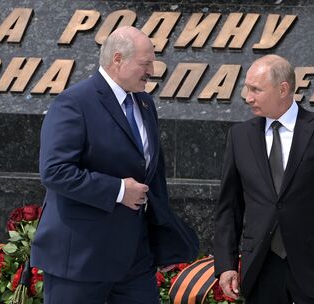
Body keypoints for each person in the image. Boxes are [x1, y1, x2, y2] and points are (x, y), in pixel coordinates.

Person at [31, 26, 199, 304]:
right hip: (81, 260)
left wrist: (163, 241)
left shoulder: (144, 103)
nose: (152, 71)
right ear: (118, 59)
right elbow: (55, 171)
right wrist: (118, 190)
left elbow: (153, 177)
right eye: (145, 64)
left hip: (134, 260)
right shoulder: (73, 103)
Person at [213, 54, 314, 304]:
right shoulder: (240, 136)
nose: (247, 97)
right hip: (261, 266)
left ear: (283, 89)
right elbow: (228, 207)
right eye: (247, 89)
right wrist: (226, 265)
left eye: (256, 90)